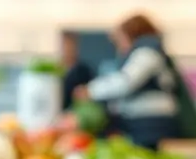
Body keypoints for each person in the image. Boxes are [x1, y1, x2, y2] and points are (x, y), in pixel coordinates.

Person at [75, 14, 179, 151]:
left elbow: (126, 83)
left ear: (132, 35)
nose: (119, 47)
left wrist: (91, 90)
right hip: (145, 122)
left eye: (120, 40)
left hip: (149, 123)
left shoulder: (146, 52)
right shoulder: (146, 51)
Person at [60, 31, 95, 110]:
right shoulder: (55, 71)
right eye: (65, 46)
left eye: (71, 45)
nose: (68, 49)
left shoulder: (84, 70)